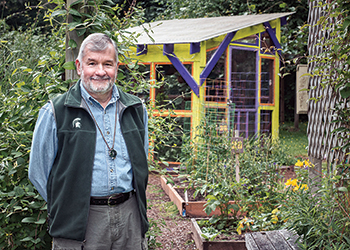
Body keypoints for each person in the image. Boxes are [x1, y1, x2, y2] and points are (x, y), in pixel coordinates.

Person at [29, 33, 149, 250]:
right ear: (79, 66)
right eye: (92, 63)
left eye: (107, 64)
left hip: (130, 216)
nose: (100, 71)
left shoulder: (136, 109)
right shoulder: (55, 112)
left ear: (117, 67)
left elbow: (141, 163)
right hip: (80, 221)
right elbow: (38, 172)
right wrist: (68, 204)